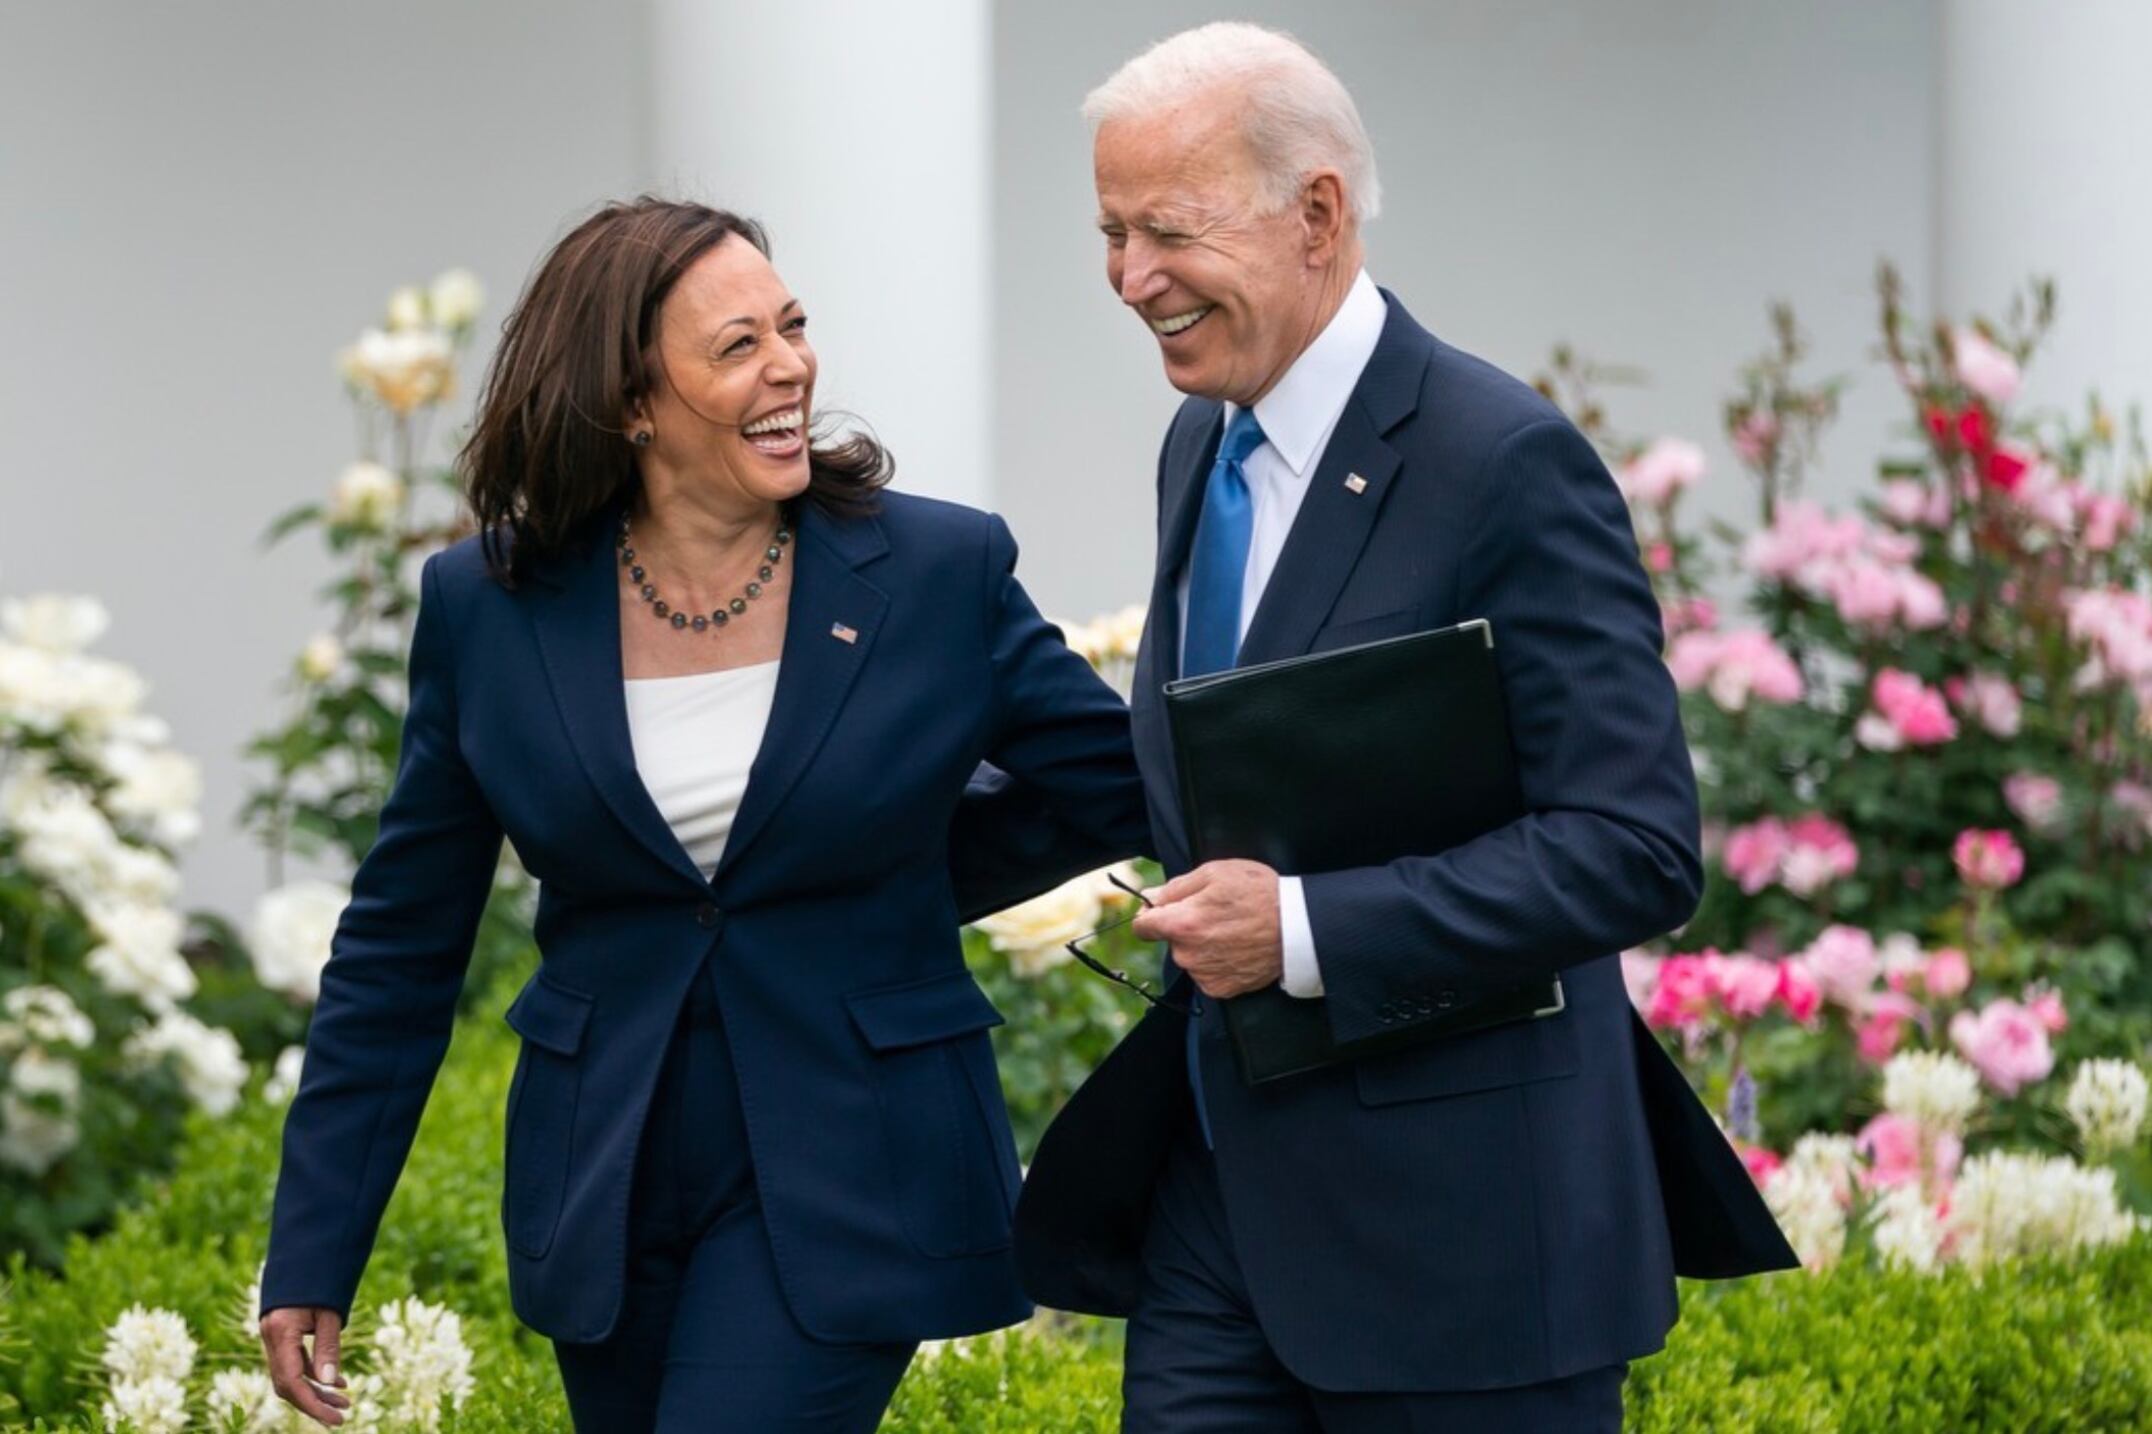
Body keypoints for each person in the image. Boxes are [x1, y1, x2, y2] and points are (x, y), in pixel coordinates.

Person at [255, 197, 1150, 1432]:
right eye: (736, 346)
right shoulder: (487, 605)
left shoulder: (935, 573)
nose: (790, 366)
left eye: (791, 327)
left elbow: (1118, 782)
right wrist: (312, 1251)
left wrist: (900, 879)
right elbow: (403, 942)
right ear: (631, 399)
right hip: (603, 1181)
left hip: (852, 1164)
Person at [1015, 23, 1795, 1433]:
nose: (1132, 279)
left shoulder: (1505, 462)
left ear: (1316, 214)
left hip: (1471, 1249)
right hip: (1219, 1219)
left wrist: (1306, 929)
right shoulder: (1202, 441)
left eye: (1167, 230)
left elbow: (1632, 845)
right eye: (1111, 232)